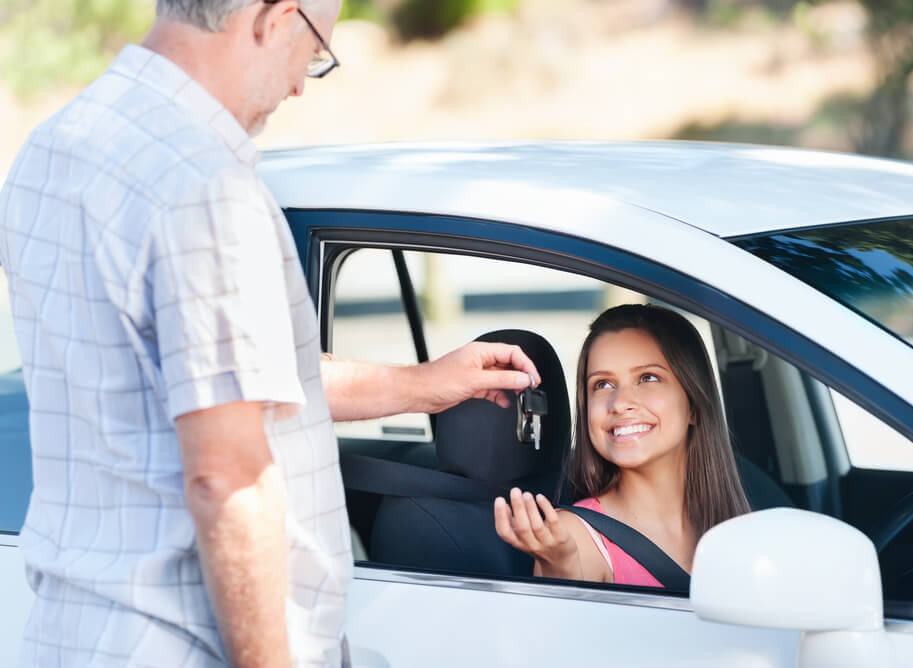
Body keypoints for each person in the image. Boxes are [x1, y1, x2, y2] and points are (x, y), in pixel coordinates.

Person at [0, 1, 539, 667]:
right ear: (272, 17)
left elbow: (199, 377)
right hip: (178, 644)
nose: (299, 85)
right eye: (313, 51)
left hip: (68, 635)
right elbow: (228, 477)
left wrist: (418, 386)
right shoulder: (204, 186)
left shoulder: (52, 149)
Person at [494, 304, 748, 585]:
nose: (621, 403)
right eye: (602, 384)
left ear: (694, 406)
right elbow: (564, 624)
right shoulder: (575, 534)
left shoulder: (733, 525)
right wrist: (561, 566)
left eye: (648, 378)